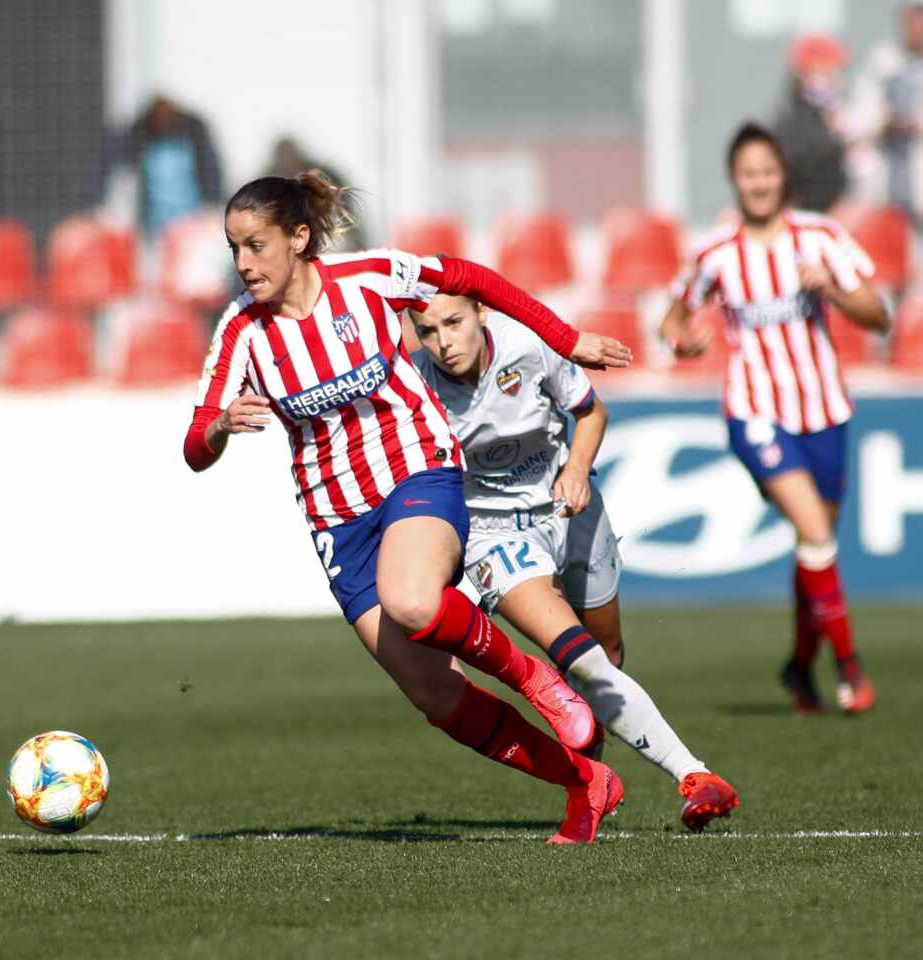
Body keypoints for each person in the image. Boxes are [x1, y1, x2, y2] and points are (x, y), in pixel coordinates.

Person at [184, 171, 634, 844]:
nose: (244, 263)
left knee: (414, 602)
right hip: (338, 521)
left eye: (256, 245)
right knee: (433, 693)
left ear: (299, 237)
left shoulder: (368, 277)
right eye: (234, 249)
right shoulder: (242, 332)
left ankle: (539, 679)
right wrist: (219, 427)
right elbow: (194, 447)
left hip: (416, 470)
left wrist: (565, 340)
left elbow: (471, 277)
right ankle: (583, 781)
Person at [408, 292, 740, 831]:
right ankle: (696, 776)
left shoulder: (528, 346)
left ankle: (593, 784)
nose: (444, 342)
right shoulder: (414, 384)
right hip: (494, 536)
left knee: (607, 651)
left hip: (572, 508)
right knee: (583, 660)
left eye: (453, 322)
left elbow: (590, 412)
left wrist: (579, 469)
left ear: (481, 313)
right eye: (427, 331)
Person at [659, 122, 889, 715]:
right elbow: (672, 318)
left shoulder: (820, 236)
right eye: (747, 173)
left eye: (767, 171)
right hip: (755, 411)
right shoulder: (715, 253)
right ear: (735, 180)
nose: (758, 183)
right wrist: (683, 341)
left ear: (781, 175)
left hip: (824, 409)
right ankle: (849, 668)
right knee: (814, 532)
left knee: (816, 547)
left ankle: (798, 664)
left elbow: (879, 315)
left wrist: (834, 290)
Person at [88, 94, 222, 237]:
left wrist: (211, 204)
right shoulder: (138, 145)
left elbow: (211, 174)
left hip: (191, 224)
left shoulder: (194, 139)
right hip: (152, 229)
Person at [852, 3, 923, 219]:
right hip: (886, 183)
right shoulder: (883, 64)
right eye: (913, 24)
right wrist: (886, 120)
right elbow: (858, 118)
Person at [774, 33, 850, 214]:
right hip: (808, 213)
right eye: (824, 72)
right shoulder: (793, 122)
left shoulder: (833, 117)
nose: (832, 79)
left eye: (834, 72)